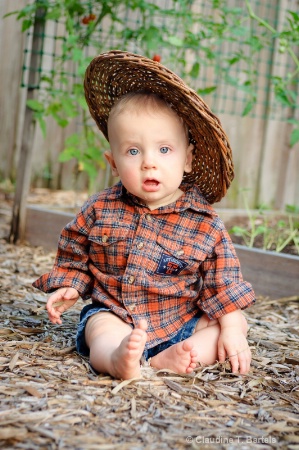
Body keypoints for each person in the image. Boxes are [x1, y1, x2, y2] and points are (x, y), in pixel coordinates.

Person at [33, 50, 255, 380]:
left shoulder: (204, 222)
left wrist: (234, 327)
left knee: (224, 327)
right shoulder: (100, 208)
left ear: (188, 160)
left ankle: (165, 359)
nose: (148, 162)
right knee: (99, 329)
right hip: (116, 314)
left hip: (179, 321)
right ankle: (118, 358)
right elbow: (75, 250)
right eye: (133, 151)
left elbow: (223, 281)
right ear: (113, 163)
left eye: (164, 150)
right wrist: (70, 285)